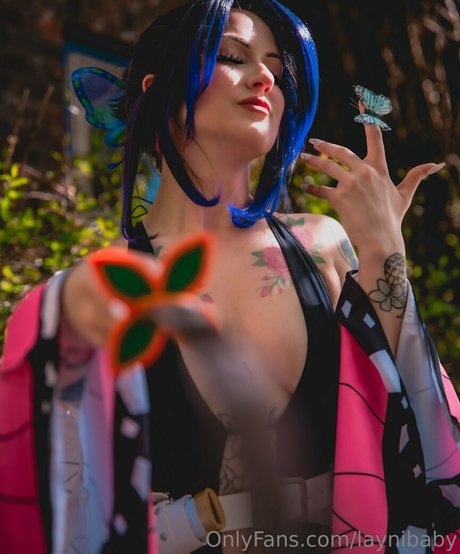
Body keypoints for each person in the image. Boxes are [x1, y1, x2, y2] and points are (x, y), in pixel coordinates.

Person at [1, 1, 459, 553]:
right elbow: (65, 510)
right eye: (232, 56)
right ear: (157, 90)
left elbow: (421, 436)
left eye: (276, 69)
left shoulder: (321, 247)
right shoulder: (91, 293)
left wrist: (385, 246)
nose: (264, 77)